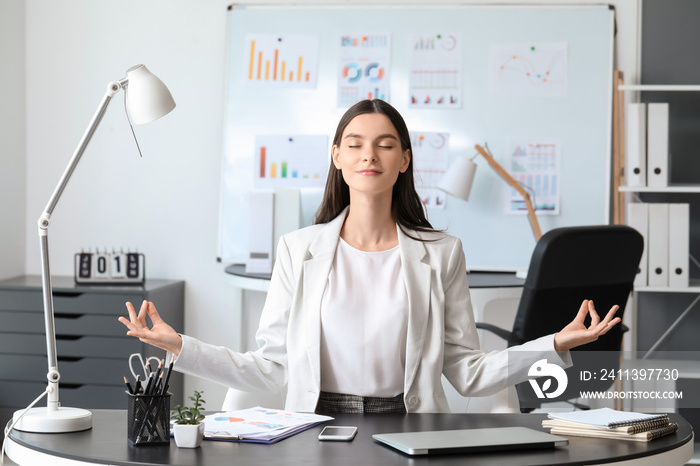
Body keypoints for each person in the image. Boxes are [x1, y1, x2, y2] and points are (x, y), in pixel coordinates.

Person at [119, 99, 621, 414]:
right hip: (316, 425)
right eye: (355, 144)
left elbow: (467, 371)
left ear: (404, 161)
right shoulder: (299, 250)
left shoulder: (442, 253)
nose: (369, 156)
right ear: (337, 156)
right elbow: (269, 368)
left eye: (385, 146)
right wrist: (178, 344)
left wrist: (553, 344)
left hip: (410, 424)